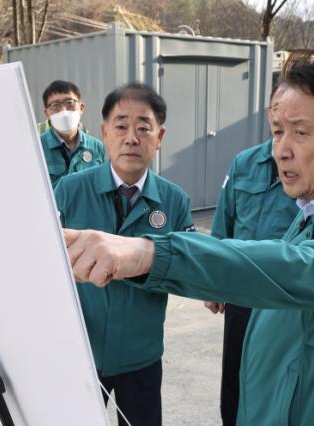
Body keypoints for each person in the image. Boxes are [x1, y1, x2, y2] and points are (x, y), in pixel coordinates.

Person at [63, 51, 314, 424]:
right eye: (277, 131)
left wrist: (151, 254)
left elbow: (306, 269)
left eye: (300, 132)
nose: (280, 151)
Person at [54, 82, 194, 426]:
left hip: (141, 356)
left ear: (159, 137)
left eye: (143, 128)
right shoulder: (70, 190)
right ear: (104, 133)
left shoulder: (174, 201)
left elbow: (187, 270)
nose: (131, 138)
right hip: (82, 353)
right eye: (121, 126)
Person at [203, 84, 299, 426]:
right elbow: (223, 222)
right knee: (235, 377)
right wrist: (213, 282)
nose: (281, 115)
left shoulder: (309, 164)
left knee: (278, 379)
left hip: (285, 296)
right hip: (241, 291)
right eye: (276, 107)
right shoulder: (244, 162)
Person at [40, 80, 106, 187]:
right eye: (55, 105)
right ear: (47, 113)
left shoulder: (96, 146)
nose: (63, 111)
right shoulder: (38, 147)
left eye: (69, 103)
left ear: (81, 108)